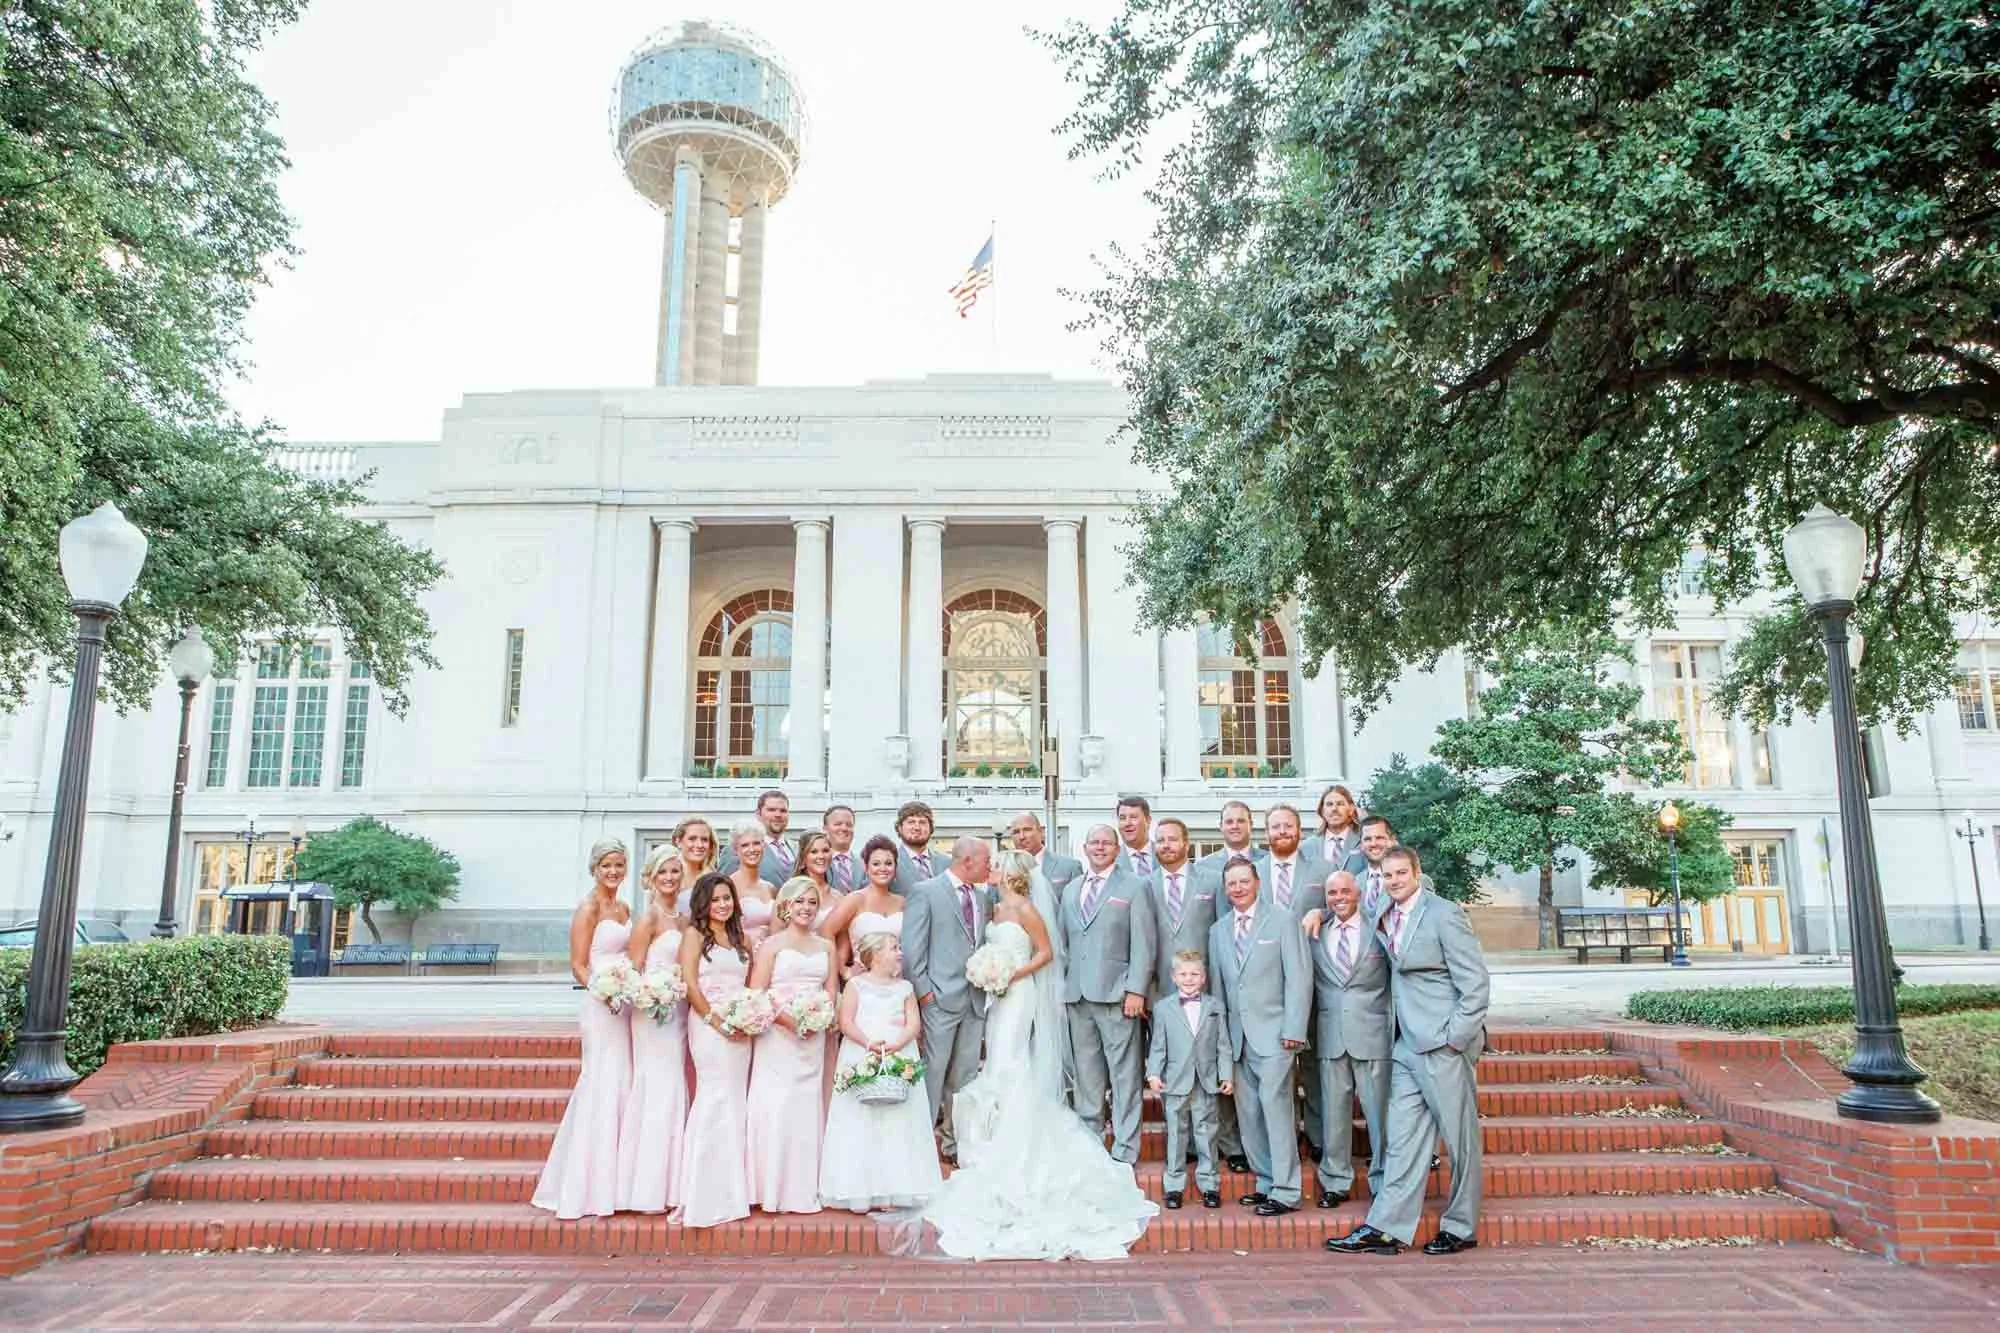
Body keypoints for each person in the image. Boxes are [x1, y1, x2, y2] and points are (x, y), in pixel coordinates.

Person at [920, 850, 1158, 1260]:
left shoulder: (1028, 909)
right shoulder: (992, 907)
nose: (989, 868)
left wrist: (1011, 974)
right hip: (996, 995)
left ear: (1011, 874)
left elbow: (1046, 953)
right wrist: (987, 971)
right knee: (995, 1059)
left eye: (995, 865)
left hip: (1019, 993)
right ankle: (992, 1135)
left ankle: (1015, 1134)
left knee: (1011, 1060)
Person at [1326, 845, 1491, 1257]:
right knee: (1401, 1140)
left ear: (1417, 873)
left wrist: (1455, 1037)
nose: (1393, 880)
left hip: (1442, 1045)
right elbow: (1349, 912)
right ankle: (1386, 1227)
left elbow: (1475, 983)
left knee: (1459, 1140)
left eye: (1401, 873)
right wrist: (1318, 913)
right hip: (1404, 1045)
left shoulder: (1443, 914)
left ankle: (1461, 1226)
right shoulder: (1384, 910)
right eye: (1386, 875)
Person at [531, 839, 633, 1219]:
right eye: (607, 865)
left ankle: (618, 1178)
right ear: (594, 868)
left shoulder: (624, 908)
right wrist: (603, 991)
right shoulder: (588, 908)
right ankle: (586, 1182)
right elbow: (578, 964)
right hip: (601, 1004)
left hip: (625, 1002)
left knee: (623, 1079)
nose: (613, 871)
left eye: (619, 865)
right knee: (602, 1081)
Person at [1208, 856, 1311, 1216]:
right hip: (1237, 1039)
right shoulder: (1218, 930)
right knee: (1249, 1115)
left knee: (1276, 1110)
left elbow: (1299, 978)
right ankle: (1267, 1182)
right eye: (1231, 883)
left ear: (1257, 882)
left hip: (1276, 1035)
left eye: (1243, 881)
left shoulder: (1282, 921)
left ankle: (1286, 1190)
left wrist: (1294, 1030)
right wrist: (1220, 1041)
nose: (1237, 888)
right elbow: (1218, 990)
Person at [1056, 824, 1158, 1165]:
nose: (1099, 847)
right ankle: (1091, 1143)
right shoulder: (1071, 890)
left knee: (1125, 1075)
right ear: (1084, 848)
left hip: (1118, 996)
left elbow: (1144, 943)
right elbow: (1065, 943)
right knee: (1087, 1075)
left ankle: (1126, 1148)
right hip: (1078, 996)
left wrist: (1136, 990)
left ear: (1117, 849)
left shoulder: (1135, 886)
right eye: (1094, 842)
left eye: (1106, 843)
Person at [819, 931, 941, 1212]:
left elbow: (914, 1023)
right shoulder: (856, 985)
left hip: (898, 1051)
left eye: (899, 947)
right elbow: (845, 1020)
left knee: (898, 1122)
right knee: (861, 1119)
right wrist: (868, 1043)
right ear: (874, 956)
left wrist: (898, 1044)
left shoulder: (906, 988)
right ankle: (860, 1188)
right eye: (893, 948)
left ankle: (896, 1188)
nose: (900, 952)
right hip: (864, 1049)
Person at [901, 835, 993, 1162]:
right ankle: (921, 1145)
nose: (990, 867)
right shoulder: (925, 892)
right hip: (938, 999)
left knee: (965, 1077)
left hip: (974, 1000)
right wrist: (925, 994)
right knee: (933, 1072)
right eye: (986, 861)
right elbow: (912, 949)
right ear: (967, 861)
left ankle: (955, 1143)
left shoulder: (983, 898)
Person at [746, 876, 835, 1215]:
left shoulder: (825, 947)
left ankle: (804, 1185)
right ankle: (771, 1187)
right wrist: (790, 1021)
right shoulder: (772, 945)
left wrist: (819, 1018)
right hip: (779, 1037)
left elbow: (831, 991)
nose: (806, 909)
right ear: (786, 905)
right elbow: (758, 992)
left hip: (813, 1038)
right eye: (799, 902)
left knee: (807, 1105)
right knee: (778, 1104)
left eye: (811, 903)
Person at [1307, 870, 1391, 1211]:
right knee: (1333, 1114)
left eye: (1345, 891)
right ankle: (1335, 1180)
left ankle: (1385, 1180)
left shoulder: (1379, 930)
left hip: (1372, 1035)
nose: (1339, 897)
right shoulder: (1315, 933)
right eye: (1331, 893)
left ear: (1357, 893)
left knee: (1378, 1114)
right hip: (1330, 1036)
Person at [675, 872, 755, 1228]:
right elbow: (690, 984)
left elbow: (750, 984)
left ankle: (732, 1188)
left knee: (735, 1100)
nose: (722, 905)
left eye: (727, 899)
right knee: (714, 1097)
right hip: (709, 1025)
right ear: (703, 903)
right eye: (716, 899)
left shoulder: (741, 939)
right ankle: (703, 1190)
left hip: (741, 1027)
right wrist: (717, 1021)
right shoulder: (694, 936)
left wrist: (749, 1017)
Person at [614, 844, 690, 1214]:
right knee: (657, 1088)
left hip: (678, 1013)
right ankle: (645, 1187)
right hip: (652, 1014)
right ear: (651, 878)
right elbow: (633, 969)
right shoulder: (649, 919)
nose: (671, 878)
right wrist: (651, 993)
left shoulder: (684, 918)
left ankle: (672, 1183)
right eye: (664, 873)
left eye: (676, 871)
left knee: (675, 1088)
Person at [1260, 803, 1333, 1153]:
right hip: (1269, 987)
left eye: (1288, 826)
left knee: (1315, 1065)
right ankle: (1283, 1140)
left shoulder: (1323, 869)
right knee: (1276, 1068)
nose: (1282, 832)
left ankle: (1318, 1138)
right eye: (1276, 827)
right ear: (1266, 833)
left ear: (1300, 830)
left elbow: (1342, 909)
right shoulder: (1253, 873)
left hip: (1315, 980)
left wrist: (1322, 910)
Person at [1145, 950, 1231, 1211]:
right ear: (1174, 977)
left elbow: (1223, 1044)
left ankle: (1209, 1184)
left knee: (1206, 1133)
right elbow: (1158, 1044)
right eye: (1183, 974)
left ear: (1203, 978)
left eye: (1194, 974)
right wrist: (1153, 1073)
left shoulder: (1215, 1007)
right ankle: (1174, 1186)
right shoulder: (1163, 1008)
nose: (1189, 978)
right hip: (1175, 1081)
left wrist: (1226, 1074)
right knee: (1176, 1134)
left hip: (1206, 1079)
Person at [1147, 818, 1218, 1003]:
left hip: (1203, 985)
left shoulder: (1213, 882)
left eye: (1172, 839)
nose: (1166, 845)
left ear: (1186, 845)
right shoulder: (1143, 885)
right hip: (1158, 988)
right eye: (1161, 840)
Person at [819, 834, 906, 978]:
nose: (883, 868)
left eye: (889, 863)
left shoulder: (902, 903)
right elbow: (825, 932)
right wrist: (843, 970)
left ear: (895, 867)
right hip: (864, 981)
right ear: (866, 867)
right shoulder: (855, 900)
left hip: (898, 980)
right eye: (876, 864)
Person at [724, 818, 778, 944]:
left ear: (764, 845)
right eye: (745, 845)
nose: (752, 849)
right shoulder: (728, 886)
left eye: (756, 843)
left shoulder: (771, 888)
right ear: (735, 850)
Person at [1008, 811, 1081, 897]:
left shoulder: (1070, 867)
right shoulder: (1004, 871)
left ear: (1041, 832)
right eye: (1016, 832)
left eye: (1027, 830)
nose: (1022, 837)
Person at [1312, 785, 1367, 872]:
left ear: (1351, 809)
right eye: (1329, 804)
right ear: (1322, 811)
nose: (1334, 809)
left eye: (1340, 804)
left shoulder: (1365, 841)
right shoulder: (1308, 846)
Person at [891, 800, 938, 893]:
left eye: (922, 822)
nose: (917, 827)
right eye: (911, 822)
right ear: (899, 827)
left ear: (931, 828)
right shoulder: (889, 862)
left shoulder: (946, 863)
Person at [795, 829, 839, 926]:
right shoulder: (790, 892)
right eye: (814, 852)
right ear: (803, 858)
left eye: (825, 851)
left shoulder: (839, 897)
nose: (821, 856)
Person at [1114, 795, 1155, 877]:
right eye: (1122, 818)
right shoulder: (1111, 860)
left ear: (1148, 820)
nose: (1127, 823)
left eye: (1133, 817)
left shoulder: (1165, 854)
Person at [824, 805, 862, 891]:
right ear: (825, 829)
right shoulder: (817, 863)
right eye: (838, 824)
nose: (844, 828)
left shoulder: (865, 864)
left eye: (849, 825)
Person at [671, 815, 717, 883]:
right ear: (678, 841)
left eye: (704, 840)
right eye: (692, 839)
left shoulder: (714, 880)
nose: (699, 845)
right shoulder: (666, 877)